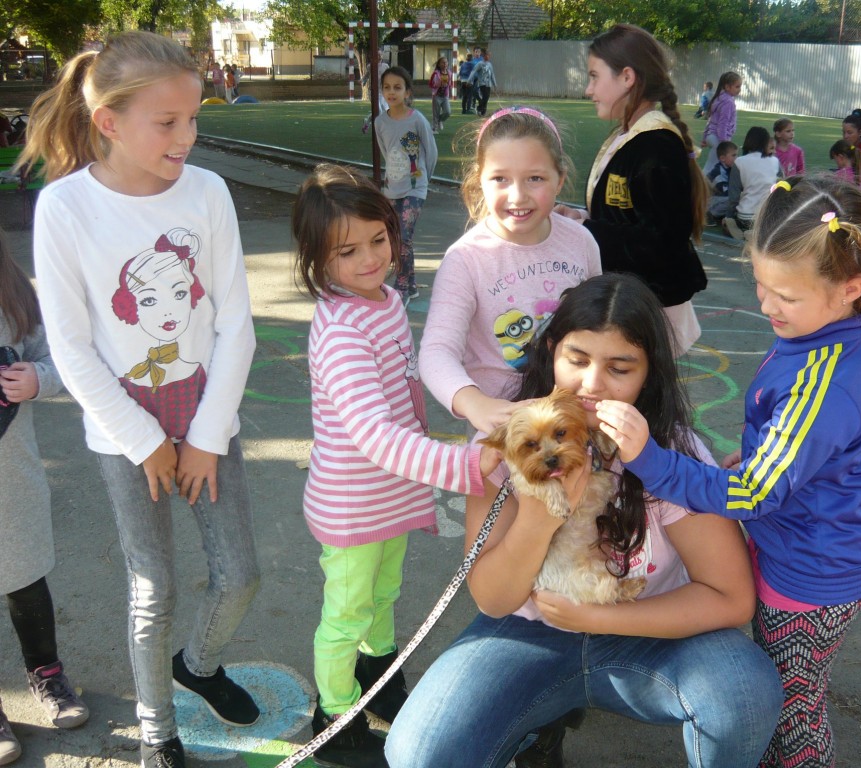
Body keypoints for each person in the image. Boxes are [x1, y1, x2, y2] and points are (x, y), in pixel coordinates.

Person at [386, 272, 783, 768]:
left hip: (652, 630)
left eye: (620, 367)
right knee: (419, 753)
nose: (592, 384)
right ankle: (536, 726)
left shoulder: (673, 453)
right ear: (550, 350)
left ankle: (541, 718)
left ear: (649, 373)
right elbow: (493, 599)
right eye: (577, 360)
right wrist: (537, 517)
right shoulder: (510, 441)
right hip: (531, 631)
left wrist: (599, 619)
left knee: (745, 691)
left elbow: (731, 597)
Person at [597, 175, 861, 768]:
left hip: (810, 574)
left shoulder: (824, 378)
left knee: (792, 715)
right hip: (812, 548)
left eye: (786, 297)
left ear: (850, 289)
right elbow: (802, 451)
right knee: (792, 696)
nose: (767, 306)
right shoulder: (826, 330)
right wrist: (763, 457)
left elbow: (753, 493)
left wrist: (649, 459)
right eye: (761, 285)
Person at [22, 30, 261, 768]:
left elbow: (235, 323)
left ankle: (200, 665)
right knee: (152, 586)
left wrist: (206, 438)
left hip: (207, 421)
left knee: (240, 576)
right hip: (127, 437)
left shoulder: (208, 192)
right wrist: (146, 442)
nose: (186, 137)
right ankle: (158, 728)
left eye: (193, 119)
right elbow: (72, 349)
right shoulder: (64, 208)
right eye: (167, 122)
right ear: (109, 122)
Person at [290, 164, 501, 768]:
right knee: (346, 613)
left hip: (392, 494)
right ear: (317, 259)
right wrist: (465, 465)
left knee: (383, 595)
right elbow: (375, 436)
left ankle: (377, 674)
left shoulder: (382, 301)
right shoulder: (341, 332)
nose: (370, 259)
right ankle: (335, 717)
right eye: (347, 251)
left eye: (378, 239)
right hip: (354, 505)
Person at [420, 106, 601, 435]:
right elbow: (436, 352)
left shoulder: (581, 242)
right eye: (500, 178)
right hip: (503, 432)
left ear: (560, 180)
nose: (517, 196)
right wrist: (475, 402)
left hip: (572, 423)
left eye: (535, 178)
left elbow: (601, 327)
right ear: (480, 181)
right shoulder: (465, 259)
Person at [554, 24, 708, 358]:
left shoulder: (657, 145)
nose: (588, 89)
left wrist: (585, 229)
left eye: (594, 77)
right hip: (632, 304)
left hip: (649, 313)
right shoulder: (630, 136)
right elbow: (627, 217)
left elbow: (661, 242)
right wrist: (580, 216)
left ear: (627, 77)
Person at [0, 231, 90, 766]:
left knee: (25, 577)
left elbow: (62, 360)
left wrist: (39, 378)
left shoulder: (13, 294)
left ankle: (46, 672)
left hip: (11, 483)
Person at [374, 65, 437, 306]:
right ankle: (411, 285)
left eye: (397, 87)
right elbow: (386, 152)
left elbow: (431, 152)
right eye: (387, 87)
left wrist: (423, 180)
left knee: (403, 237)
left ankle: (401, 287)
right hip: (392, 189)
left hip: (415, 188)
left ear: (407, 92)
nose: (392, 92)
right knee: (396, 238)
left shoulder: (417, 119)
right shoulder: (380, 122)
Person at [722, 126, 781, 241]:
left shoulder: (739, 162)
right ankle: (758, 233)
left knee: (729, 221)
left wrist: (728, 217)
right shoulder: (775, 161)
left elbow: (734, 197)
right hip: (766, 217)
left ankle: (740, 229)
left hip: (745, 216)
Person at [701, 71, 741, 174]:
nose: (739, 89)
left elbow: (711, 120)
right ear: (727, 87)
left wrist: (705, 137)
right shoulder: (728, 102)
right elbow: (722, 124)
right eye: (737, 86)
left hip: (711, 136)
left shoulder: (719, 98)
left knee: (714, 164)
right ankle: (702, 181)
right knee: (711, 166)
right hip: (718, 138)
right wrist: (724, 142)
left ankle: (710, 180)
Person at [706, 139, 738, 223]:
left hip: (719, 198)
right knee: (733, 200)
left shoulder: (729, 168)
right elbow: (725, 192)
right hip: (711, 201)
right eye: (733, 155)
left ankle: (722, 214)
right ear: (722, 158)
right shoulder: (719, 173)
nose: (736, 158)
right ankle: (711, 214)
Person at [361, 50, 389, 135]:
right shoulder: (370, 66)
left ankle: (367, 121)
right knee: (378, 110)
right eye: (377, 55)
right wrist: (363, 81)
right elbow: (366, 75)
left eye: (380, 55)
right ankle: (370, 124)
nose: (379, 56)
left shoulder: (386, 66)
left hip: (383, 92)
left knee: (386, 111)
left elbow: (390, 76)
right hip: (373, 92)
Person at [470, 49, 497, 117]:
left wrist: (494, 84)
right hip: (482, 83)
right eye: (487, 55)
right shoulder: (480, 64)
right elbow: (473, 71)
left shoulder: (490, 64)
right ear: (484, 56)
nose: (488, 56)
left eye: (489, 55)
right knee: (484, 97)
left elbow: (492, 74)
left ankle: (483, 111)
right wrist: (469, 80)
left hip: (488, 84)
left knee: (486, 97)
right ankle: (479, 109)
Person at [429, 56, 451, 133]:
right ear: (439, 64)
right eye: (443, 62)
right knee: (436, 113)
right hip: (437, 96)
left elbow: (450, 83)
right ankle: (434, 129)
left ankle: (440, 120)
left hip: (445, 96)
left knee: (448, 112)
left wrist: (448, 86)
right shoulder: (436, 73)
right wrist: (438, 84)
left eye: (446, 62)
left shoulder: (449, 73)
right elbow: (431, 84)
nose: (445, 64)